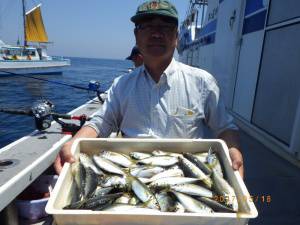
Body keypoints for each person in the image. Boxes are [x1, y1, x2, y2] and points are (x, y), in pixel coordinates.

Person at [54, 0, 244, 178]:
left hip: (185, 173)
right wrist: (74, 143)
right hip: (132, 172)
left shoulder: (203, 82)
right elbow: (99, 123)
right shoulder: (122, 85)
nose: (156, 34)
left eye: (165, 27)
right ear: (137, 36)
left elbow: (225, 128)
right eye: (147, 27)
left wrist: (233, 149)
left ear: (176, 37)